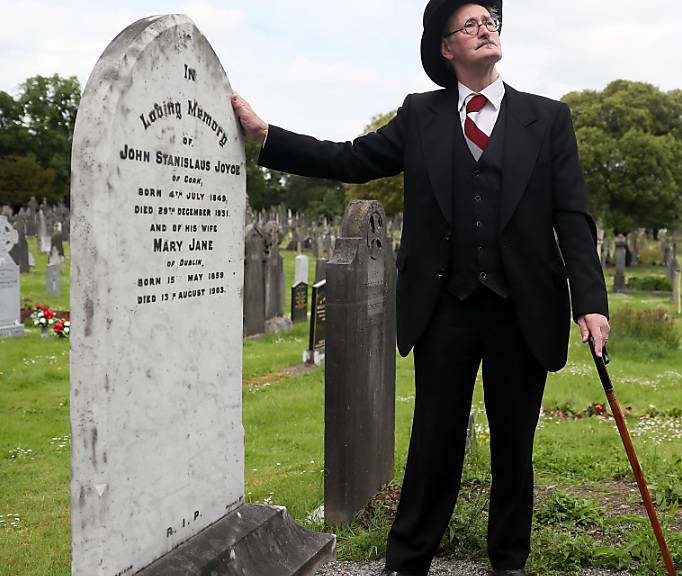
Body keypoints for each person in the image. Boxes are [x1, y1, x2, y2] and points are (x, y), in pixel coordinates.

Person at [231, 2, 610, 575]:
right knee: (433, 443)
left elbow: (572, 215)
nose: (485, 29)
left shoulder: (548, 119)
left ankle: (509, 561)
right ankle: (407, 561)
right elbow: (352, 159)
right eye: (470, 25)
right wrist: (267, 137)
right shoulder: (422, 115)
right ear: (446, 48)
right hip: (445, 308)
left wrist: (591, 302)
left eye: (490, 22)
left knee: (515, 446)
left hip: (523, 308)